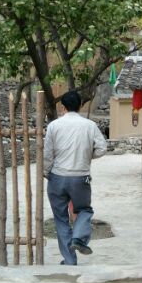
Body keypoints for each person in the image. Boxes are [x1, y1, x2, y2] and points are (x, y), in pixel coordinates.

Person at [43, 90, 107, 265]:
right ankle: (78, 238)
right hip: (80, 178)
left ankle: (70, 260)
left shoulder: (54, 126)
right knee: (84, 210)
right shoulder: (90, 125)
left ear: (62, 107)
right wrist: (86, 156)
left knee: (61, 219)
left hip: (57, 178)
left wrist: (46, 172)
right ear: (80, 106)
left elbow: (47, 154)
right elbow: (102, 148)